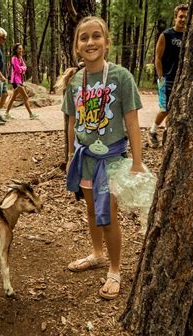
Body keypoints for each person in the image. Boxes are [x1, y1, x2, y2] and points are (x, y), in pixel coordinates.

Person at [60, 16, 145, 299]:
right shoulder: (74, 81)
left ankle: (115, 269)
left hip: (111, 159)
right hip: (85, 159)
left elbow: (132, 122)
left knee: (107, 216)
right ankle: (96, 254)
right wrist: (71, 155)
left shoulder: (121, 77)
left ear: (106, 42)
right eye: (83, 38)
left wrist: (136, 161)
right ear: (76, 46)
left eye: (96, 36)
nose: (90, 42)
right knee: (91, 211)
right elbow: (72, 122)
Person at [148, 4, 188, 148]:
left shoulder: (189, 36)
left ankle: (167, 135)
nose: (183, 20)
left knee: (178, 109)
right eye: (181, 17)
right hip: (167, 78)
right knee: (165, 108)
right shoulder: (166, 35)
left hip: (183, 79)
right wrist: (160, 78)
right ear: (175, 18)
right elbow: (157, 58)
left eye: (186, 17)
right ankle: (152, 131)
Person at [4, 43, 38, 120]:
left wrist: (22, 69)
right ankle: (31, 114)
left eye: (21, 48)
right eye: (19, 48)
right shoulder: (14, 58)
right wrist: (22, 69)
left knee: (13, 97)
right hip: (16, 81)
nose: (21, 50)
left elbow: (25, 67)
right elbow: (18, 69)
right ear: (16, 50)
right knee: (25, 97)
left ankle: (6, 113)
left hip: (20, 80)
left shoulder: (20, 58)